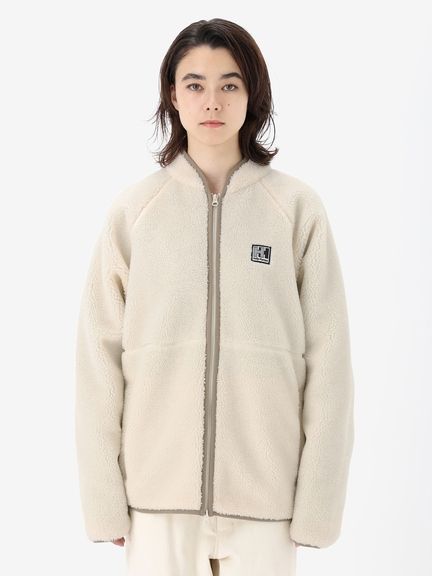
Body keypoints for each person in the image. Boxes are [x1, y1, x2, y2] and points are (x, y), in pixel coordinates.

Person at [75, 17, 355, 576]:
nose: (212, 101)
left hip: (266, 501)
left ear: (253, 94)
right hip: (156, 500)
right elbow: (97, 362)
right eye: (195, 84)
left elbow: (329, 362)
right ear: (172, 95)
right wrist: (104, 499)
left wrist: (318, 506)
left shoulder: (295, 209)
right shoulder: (135, 213)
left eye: (230, 84)